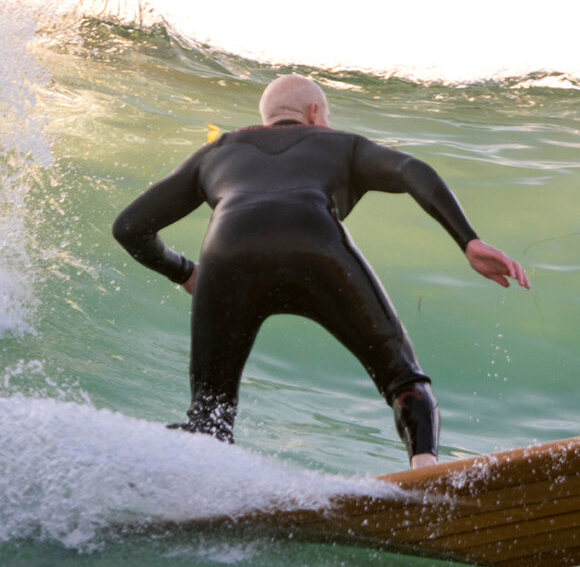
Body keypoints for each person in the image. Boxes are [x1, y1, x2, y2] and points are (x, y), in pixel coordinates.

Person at [112, 74, 529, 469]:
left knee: (210, 411)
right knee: (403, 379)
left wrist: (185, 271)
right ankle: (426, 477)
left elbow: (129, 228)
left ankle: (202, 488)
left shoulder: (216, 152)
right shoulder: (338, 144)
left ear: (267, 118)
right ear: (315, 113)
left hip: (227, 254)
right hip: (314, 245)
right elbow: (411, 170)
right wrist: (468, 240)